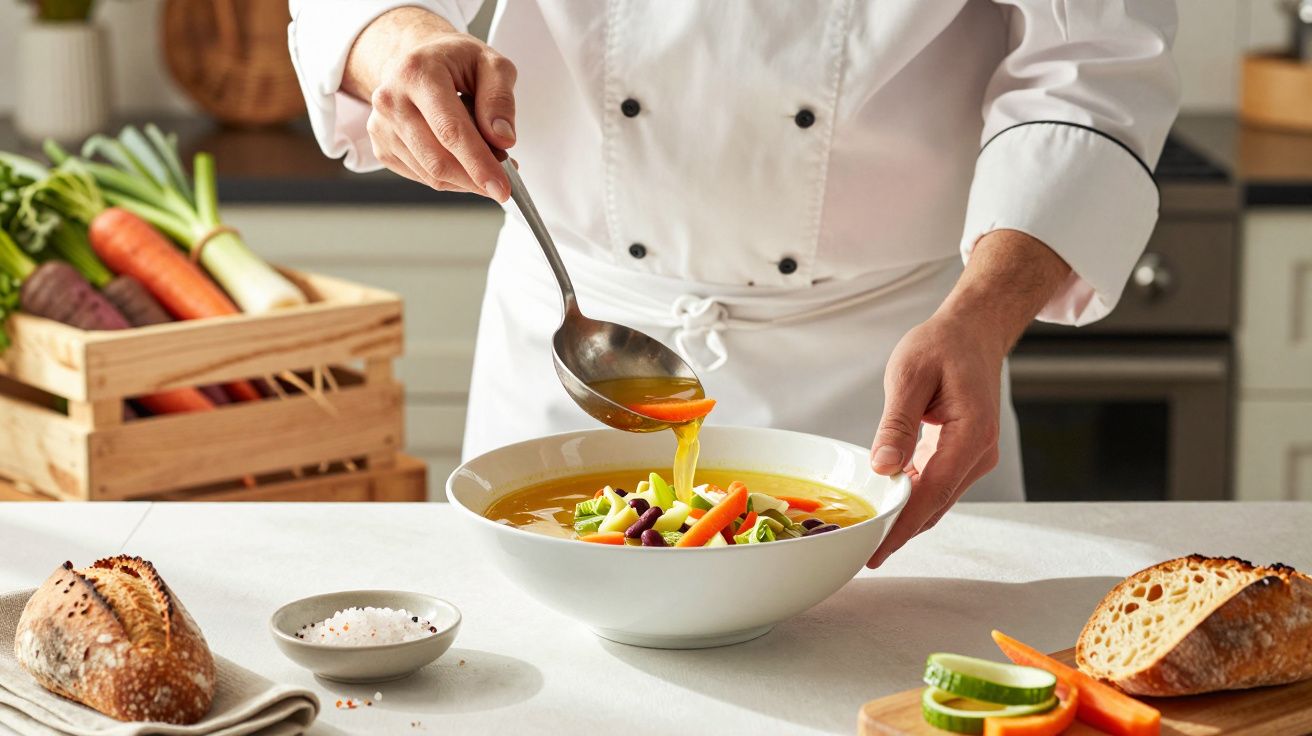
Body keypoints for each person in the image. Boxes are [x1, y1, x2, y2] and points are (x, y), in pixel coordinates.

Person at [288, 1, 1179, 566]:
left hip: (887, 369)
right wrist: (393, 37)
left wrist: (982, 317)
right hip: (576, 345)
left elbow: (1094, 67)